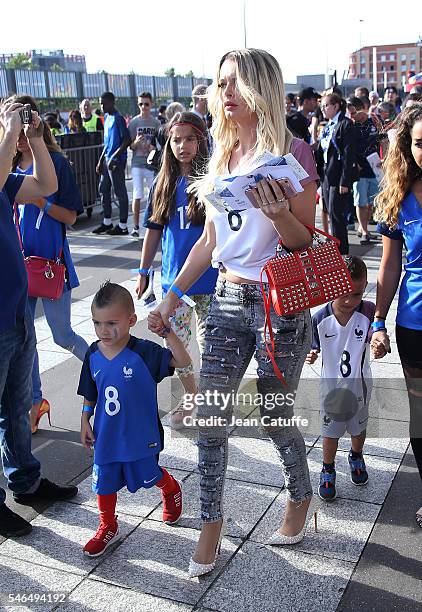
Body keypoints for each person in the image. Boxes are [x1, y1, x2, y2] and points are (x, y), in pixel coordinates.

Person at [148, 48, 319, 578]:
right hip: (224, 298)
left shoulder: (294, 153)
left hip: (279, 306)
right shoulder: (220, 155)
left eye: (237, 83)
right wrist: (172, 295)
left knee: (272, 417)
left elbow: (305, 244)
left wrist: (278, 212)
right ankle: (211, 525)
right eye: (222, 83)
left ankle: (299, 494)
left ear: (262, 88)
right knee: (212, 420)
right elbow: (208, 239)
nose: (226, 93)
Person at [0, 98, 78, 539]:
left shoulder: (7, 179)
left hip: (15, 311)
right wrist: (10, 135)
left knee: (16, 406)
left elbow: (46, 185)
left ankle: (26, 481)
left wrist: (33, 138)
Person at [78, 282, 190, 556]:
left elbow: (182, 360)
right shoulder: (93, 354)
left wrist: (167, 333)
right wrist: (85, 420)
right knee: (103, 482)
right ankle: (107, 525)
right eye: (97, 323)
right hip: (106, 436)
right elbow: (90, 393)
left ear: (131, 321)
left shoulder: (144, 353)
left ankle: (170, 488)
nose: (103, 330)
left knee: (149, 475)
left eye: (111, 323)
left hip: (140, 435)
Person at [12, 95, 89, 434]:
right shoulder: (7, 163)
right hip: (16, 268)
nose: (15, 128)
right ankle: (35, 402)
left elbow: (71, 216)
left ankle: (104, 371)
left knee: (62, 335)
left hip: (48, 268)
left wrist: (40, 198)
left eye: (23, 118)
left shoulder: (55, 164)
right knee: (25, 339)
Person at [136, 111, 218, 425]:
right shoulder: (164, 182)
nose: (182, 146)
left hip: (210, 280)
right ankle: (190, 396)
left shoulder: (211, 178)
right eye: (176, 139)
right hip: (174, 284)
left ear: (201, 141)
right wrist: (144, 272)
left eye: (189, 139)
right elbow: (153, 231)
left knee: (211, 346)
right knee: (177, 346)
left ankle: (212, 401)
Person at [371, 103, 422, 528]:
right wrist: (378, 321)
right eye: (421, 143)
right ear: (408, 145)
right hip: (414, 324)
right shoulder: (398, 198)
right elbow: (389, 266)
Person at [306, 256, 385, 500]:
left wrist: (378, 344)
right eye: (345, 294)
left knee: (358, 429)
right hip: (331, 390)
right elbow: (312, 346)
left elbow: (376, 334)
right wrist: (310, 354)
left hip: (360, 386)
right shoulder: (319, 318)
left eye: (358, 294)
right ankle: (327, 469)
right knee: (330, 433)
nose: (351, 301)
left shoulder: (369, 311)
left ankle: (355, 455)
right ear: (331, 287)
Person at [316, 93, 357, 254]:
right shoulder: (327, 126)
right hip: (326, 174)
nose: (323, 109)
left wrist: (345, 181)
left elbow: (348, 155)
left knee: (337, 214)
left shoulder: (345, 124)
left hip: (338, 176)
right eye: (322, 106)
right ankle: (335, 247)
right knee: (329, 211)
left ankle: (341, 251)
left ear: (336, 106)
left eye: (326, 105)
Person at [92, 92, 131, 236]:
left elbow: (127, 140)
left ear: (112, 103)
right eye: (101, 103)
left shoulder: (118, 118)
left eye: (104, 103)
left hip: (116, 162)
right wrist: (101, 159)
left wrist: (114, 157)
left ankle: (123, 225)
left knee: (120, 192)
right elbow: (107, 142)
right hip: (107, 160)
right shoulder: (107, 118)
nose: (102, 106)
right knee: (103, 189)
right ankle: (107, 222)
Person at [128, 92, 161, 238]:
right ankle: (135, 227)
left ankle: (154, 223)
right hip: (137, 162)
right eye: (141, 104)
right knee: (137, 193)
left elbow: (159, 145)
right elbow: (130, 145)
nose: (143, 107)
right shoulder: (134, 122)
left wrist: (150, 146)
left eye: (146, 104)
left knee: (154, 194)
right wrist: (136, 142)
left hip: (151, 163)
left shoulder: (155, 123)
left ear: (151, 104)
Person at [351, 98, 381, 244]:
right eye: (352, 111)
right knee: (361, 202)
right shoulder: (350, 125)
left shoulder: (375, 121)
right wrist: (354, 163)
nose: (355, 114)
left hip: (375, 167)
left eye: (357, 110)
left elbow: (384, 140)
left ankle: (365, 228)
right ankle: (364, 230)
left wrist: (384, 158)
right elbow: (347, 148)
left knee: (370, 203)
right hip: (359, 170)